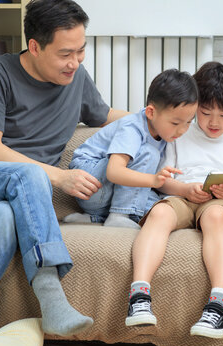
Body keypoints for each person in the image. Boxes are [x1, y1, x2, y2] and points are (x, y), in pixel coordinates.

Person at [0, 0, 130, 345]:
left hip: (10, 198)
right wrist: (59, 177)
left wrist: (160, 119)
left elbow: (105, 114)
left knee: (4, 217)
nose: (76, 61)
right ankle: (52, 298)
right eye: (66, 53)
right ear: (35, 47)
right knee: (28, 174)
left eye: (81, 50)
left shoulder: (76, 78)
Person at [125, 62, 223, 340]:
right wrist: (186, 190)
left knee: (215, 216)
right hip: (182, 196)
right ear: (194, 105)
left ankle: (220, 304)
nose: (213, 122)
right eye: (204, 113)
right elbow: (161, 180)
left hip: (220, 203)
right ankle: (138, 295)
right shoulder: (179, 133)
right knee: (160, 214)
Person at [64, 69, 198, 229]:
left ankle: (97, 217)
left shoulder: (164, 134)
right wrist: (153, 180)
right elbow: (114, 172)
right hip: (89, 183)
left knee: (160, 207)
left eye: (189, 122)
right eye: (175, 123)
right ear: (151, 112)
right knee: (148, 153)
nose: (182, 130)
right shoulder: (132, 128)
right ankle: (118, 215)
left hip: (107, 195)